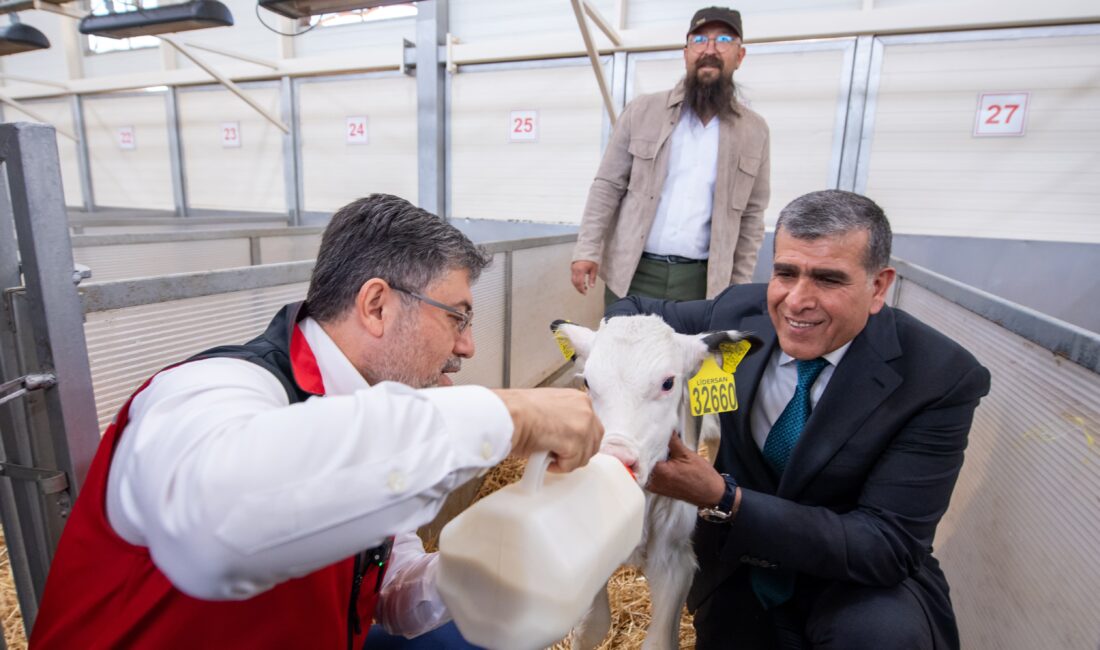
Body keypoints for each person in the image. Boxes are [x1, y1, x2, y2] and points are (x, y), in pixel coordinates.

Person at [31, 194, 603, 649]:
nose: (469, 346)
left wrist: (486, 572)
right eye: (457, 317)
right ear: (377, 305)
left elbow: (385, 592)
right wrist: (512, 414)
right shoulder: (209, 390)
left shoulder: (369, 425)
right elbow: (216, 525)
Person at [607, 190, 990, 649]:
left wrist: (724, 498)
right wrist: (621, 395)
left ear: (879, 286)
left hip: (857, 586)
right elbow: (628, 314)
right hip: (737, 564)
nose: (797, 300)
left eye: (828, 279)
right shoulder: (739, 313)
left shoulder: (937, 377)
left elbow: (886, 544)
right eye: (785, 273)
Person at [571, 6, 771, 305]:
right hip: (633, 273)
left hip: (703, 283)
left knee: (692, 353)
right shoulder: (643, 110)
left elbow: (753, 216)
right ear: (686, 52)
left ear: (740, 56)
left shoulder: (754, 131)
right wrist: (587, 249)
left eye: (724, 40)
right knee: (623, 351)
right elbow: (607, 185)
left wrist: (738, 286)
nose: (710, 50)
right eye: (700, 40)